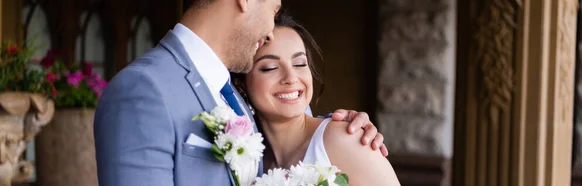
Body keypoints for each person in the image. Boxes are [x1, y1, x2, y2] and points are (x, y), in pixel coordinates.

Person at [93, 0, 387, 186]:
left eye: (300, 63)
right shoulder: (143, 89)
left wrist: (340, 130)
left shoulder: (233, 98)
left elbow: (297, 128)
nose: (270, 31)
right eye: (273, 10)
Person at [232, 13, 401, 185]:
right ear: (241, 85)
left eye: (299, 64)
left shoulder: (342, 139)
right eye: (270, 68)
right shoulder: (248, 162)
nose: (291, 78)